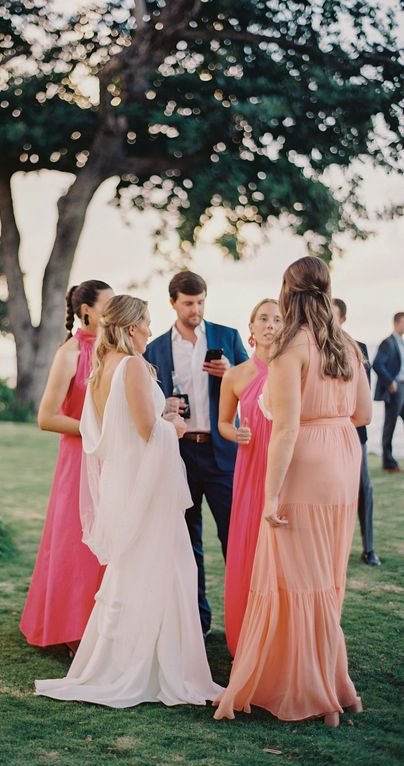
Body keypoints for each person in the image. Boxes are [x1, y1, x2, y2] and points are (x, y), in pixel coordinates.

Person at [35, 295, 222, 707]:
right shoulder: (133, 365)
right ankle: (154, 668)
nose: (151, 332)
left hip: (127, 480)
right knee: (163, 568)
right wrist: (173, 425)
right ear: (132, 327)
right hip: (145, 486)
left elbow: (106, 432)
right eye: (148, 324)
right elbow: (145, 431)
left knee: (135, 570)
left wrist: (161, 418)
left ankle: (134, 660)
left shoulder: (103, 369)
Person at [214, 256, 372, 727]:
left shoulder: (290, 349)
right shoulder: (345, 342)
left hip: (306, 462)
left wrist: (272, 494)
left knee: (296, 579)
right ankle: (337, 688)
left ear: (288, 291)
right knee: (323, 578)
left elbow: (284, 429)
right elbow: (363, 414)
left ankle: (321, 694)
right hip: (343, 459)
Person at [143, 271, 248, 638]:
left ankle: (244, 622)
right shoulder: (154, 349)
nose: (196, 309)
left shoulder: (227, 337)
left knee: (234, 539)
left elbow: (256, 386)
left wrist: (231, 372)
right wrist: (165, 407)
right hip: (180, 454)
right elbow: (145, 404)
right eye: (188, 303)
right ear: (172, 302)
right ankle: (197, 623)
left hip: (222, 452)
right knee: (187, 542)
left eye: (201, 301)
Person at [19, 280, 113, 651]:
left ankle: (107, 629)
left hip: (112, 461)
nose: (113, 308)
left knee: (108, 541)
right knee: (77, 545)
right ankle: (73, 630)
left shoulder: (114, 351)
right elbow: (47, 417)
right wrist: (94, 432)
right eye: (108, 303)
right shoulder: (71, 353)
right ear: (86, 310)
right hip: (79, 459)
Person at [218, 299, 281, 656]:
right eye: (263, 319)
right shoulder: (236, 374)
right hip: (250, 464)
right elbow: (223, 423)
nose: (270, 324)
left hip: (283, 465)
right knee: (249, 544)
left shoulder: (294, 371)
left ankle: (279, 635)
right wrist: (234, 433)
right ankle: (246, 633)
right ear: (251, 328)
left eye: (277, 319)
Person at [333, 299, 380, 566]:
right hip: (322, 436)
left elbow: (364, 398)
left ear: (343, 319)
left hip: (354, 431)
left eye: (334, 315)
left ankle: (369, 547)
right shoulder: (313, 347)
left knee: (364, 489)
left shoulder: (358, 348)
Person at [373, 312, 404, 473]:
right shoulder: (388, 342)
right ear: (396, 322)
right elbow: (377, 364)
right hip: (395, 389)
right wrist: (390, 381)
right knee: (389, 426)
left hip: (403, 387)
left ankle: (392, 461)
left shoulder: (401, 342)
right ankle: (388, 463)